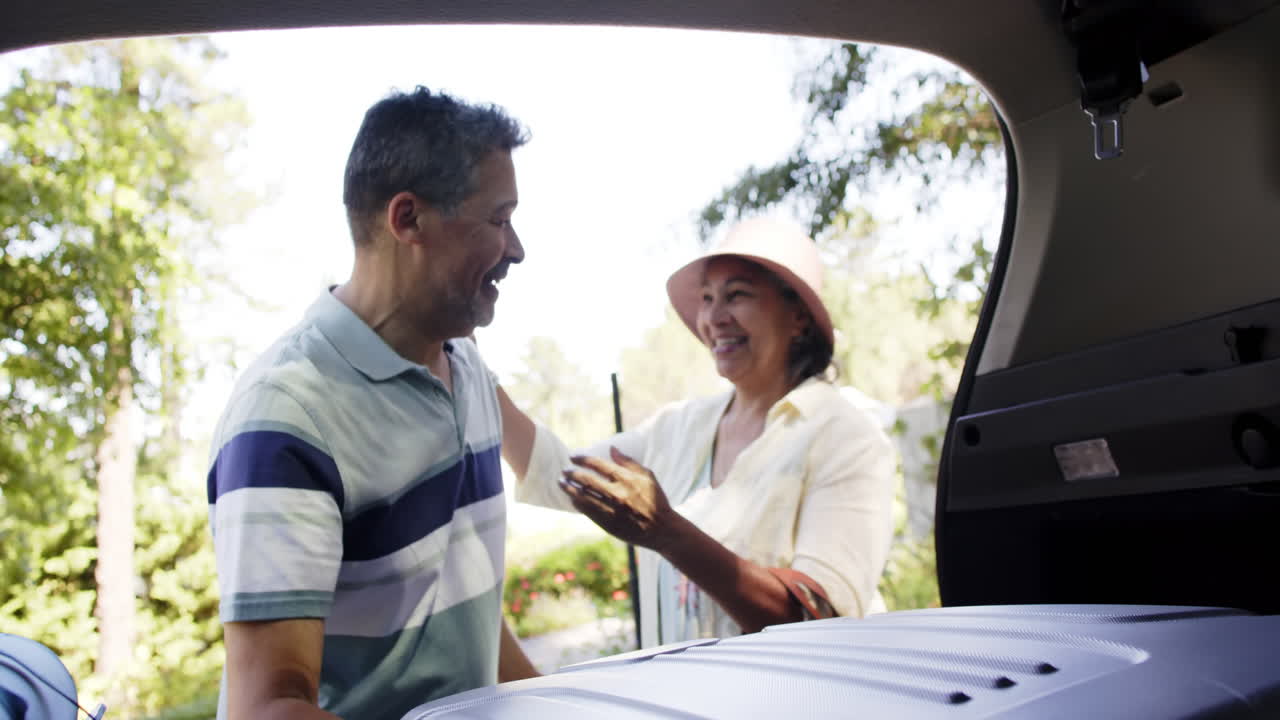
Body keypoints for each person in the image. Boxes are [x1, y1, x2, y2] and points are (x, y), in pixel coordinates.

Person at [205, 87, 540, 720]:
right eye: (498, 220)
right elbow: (268, 708)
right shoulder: (285, 417)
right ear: (407, 218)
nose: (516, 248)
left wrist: (552, 702)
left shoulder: (466, 369)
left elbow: (460, 607)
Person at [500, 217, 897, 648]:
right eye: (707, 298)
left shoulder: (845, 435)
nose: (714, 317)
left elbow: (817, 616)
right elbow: (564, 474)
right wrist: (464, 367)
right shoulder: (679, 426)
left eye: (737, 296)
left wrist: (667, 531)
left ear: (798, 317)